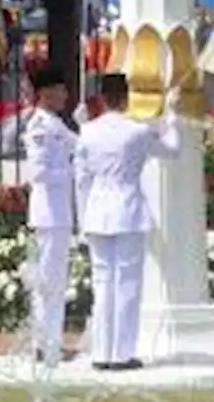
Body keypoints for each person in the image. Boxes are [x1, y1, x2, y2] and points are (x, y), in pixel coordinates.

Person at [74, 73, 181, 370]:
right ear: (125, 98)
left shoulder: (88, 131)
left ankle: (102, 352)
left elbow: (81, 179)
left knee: (103, 283)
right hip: (127, 208)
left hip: (97, 209)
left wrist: (83, 215)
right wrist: (169, 116)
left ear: (102, 99)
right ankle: (122, 353)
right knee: (127, 283)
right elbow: (173, 150)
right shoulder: (136, 131)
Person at [23, 66, 78, 365]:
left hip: (58, 214)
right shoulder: (40, 127)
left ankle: (49, 344)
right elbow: (39, 172)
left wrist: (84, 127)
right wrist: (71, 169)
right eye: (61, 90)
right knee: (49, 283)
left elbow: (80, 147)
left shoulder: (55, 124)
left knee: (55, 282)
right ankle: (44, 346)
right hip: (49, 214)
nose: (66, 95)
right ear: (46, 92)